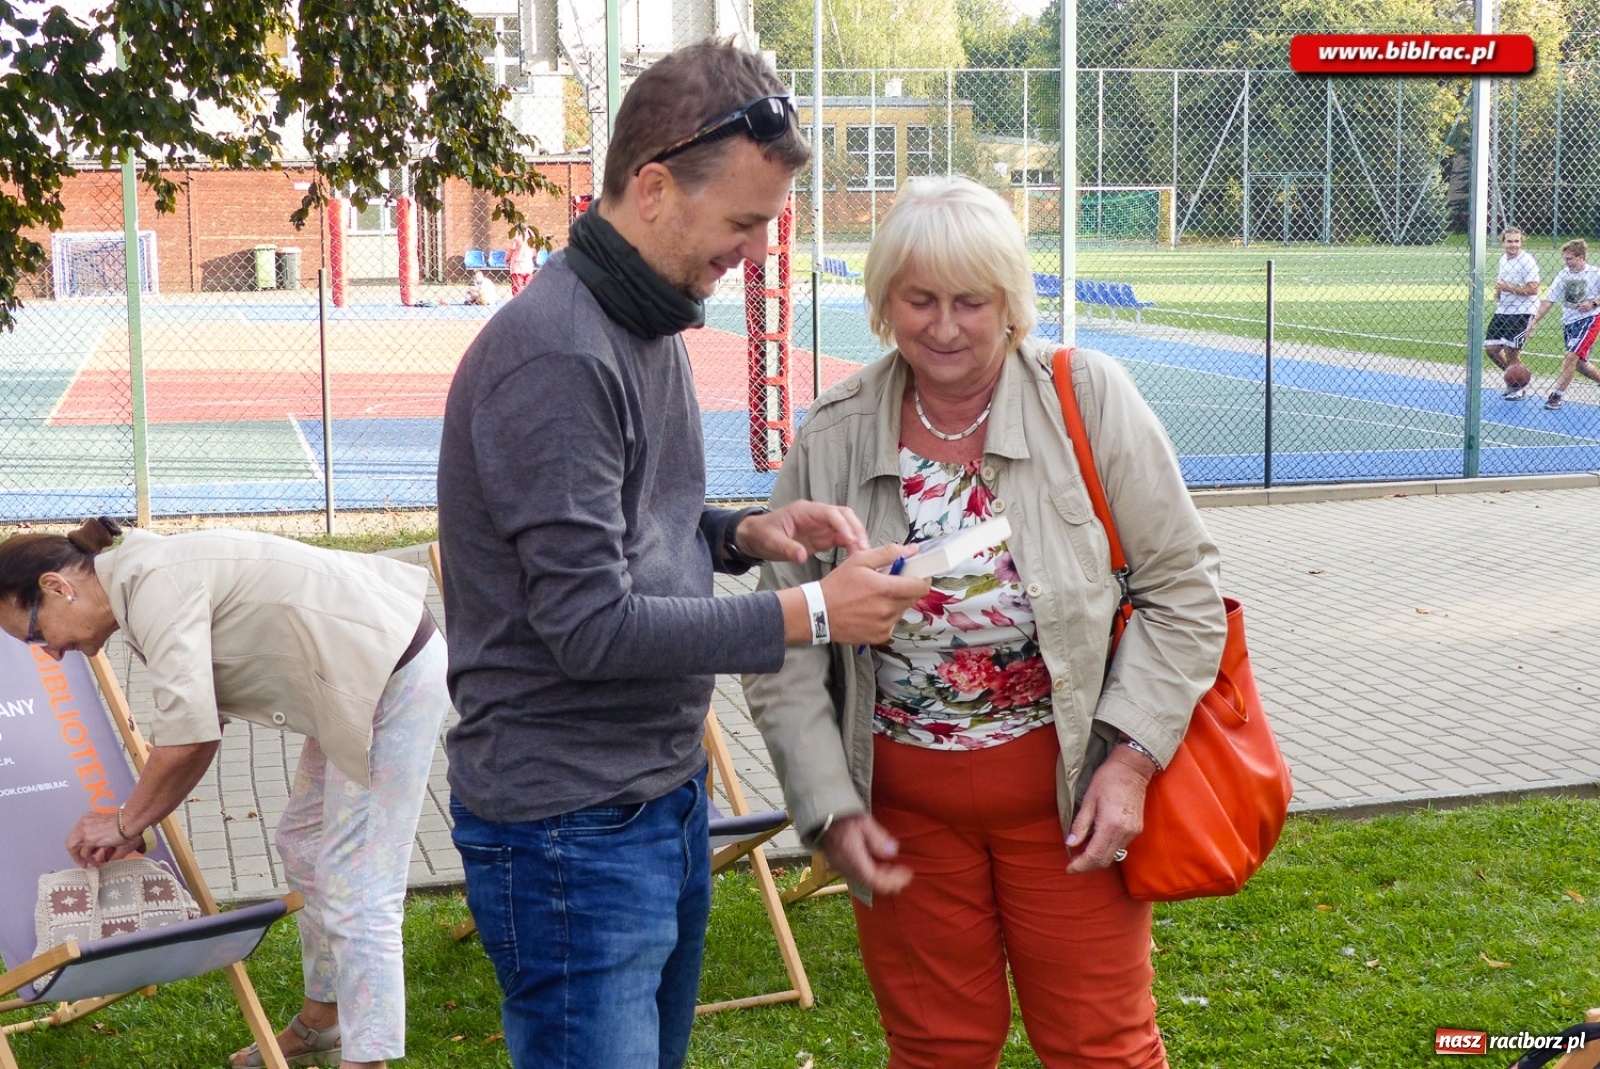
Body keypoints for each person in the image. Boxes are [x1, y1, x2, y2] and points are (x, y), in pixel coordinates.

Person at [435, 41, 928, 1069]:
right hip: (570, 834)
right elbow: (587, 624)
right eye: (743, 223)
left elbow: (626, 520)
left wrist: (739, 533)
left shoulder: (641, 319)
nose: (750, 253)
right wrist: (816, 613)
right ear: (653, 185)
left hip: (654, 804)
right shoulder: (558, 354)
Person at [742, 176, 1229, 1069]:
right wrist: (827, 805)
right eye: (919, 298)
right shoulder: (834, 433)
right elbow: (784, 644)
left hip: (1070, 804)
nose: (945, 325)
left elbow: (1183, 591)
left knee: (1103, 1049)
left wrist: (1130, 763)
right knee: (935, 1050)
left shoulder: (1090, 400)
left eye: (973, 300)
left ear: (1013, 302)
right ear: (884, 301)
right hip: (903, 813)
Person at [0, 518, 450, 1069]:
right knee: (304, 847)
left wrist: (124, 823)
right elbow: (196, 725)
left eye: (37, 635)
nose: (49, 653)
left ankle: (368, 1060)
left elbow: (190, 740)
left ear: (56, 587)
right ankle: (322, 1023)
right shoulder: (138, 583)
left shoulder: (153, 587)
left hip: (387, 674)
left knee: (357, 881)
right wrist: (134, 819)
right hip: (353, 680)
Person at [1524, 238, 1600, 410]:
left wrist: (1594, 303)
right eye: (1565, 259)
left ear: (1581, 257)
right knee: (1579, 364)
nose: (1567, 262)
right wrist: (1533, 321)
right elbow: (1549, 301)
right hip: (1569, 321)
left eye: (1570, 259)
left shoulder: (1595, 273)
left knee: (1570, 356)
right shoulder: (1563, 275)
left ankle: (1556, 396)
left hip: (1590, 320)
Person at [1485, 227, 1540, 399]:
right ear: (1503, 242)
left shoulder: (1527, 261)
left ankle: (1517, 387)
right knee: (1491, 348)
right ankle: (1515, 378)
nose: (1513, 245)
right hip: (1503, 310)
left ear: (1521, 242)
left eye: (1516, 241)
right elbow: (1502, 283)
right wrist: (1500, 292)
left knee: (1511, 350)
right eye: (1509, 241)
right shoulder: (1503, 260)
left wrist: (1508, 288)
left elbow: (1533, 289)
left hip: (1522, 311)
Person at [506, 231, 536, 296]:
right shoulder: (531, 233)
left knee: (517, 287)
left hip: (517, 266)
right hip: (528, 266)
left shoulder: (516, 234)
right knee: (529, 286)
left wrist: (507, 259)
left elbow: (511, 249)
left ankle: (517, 302)